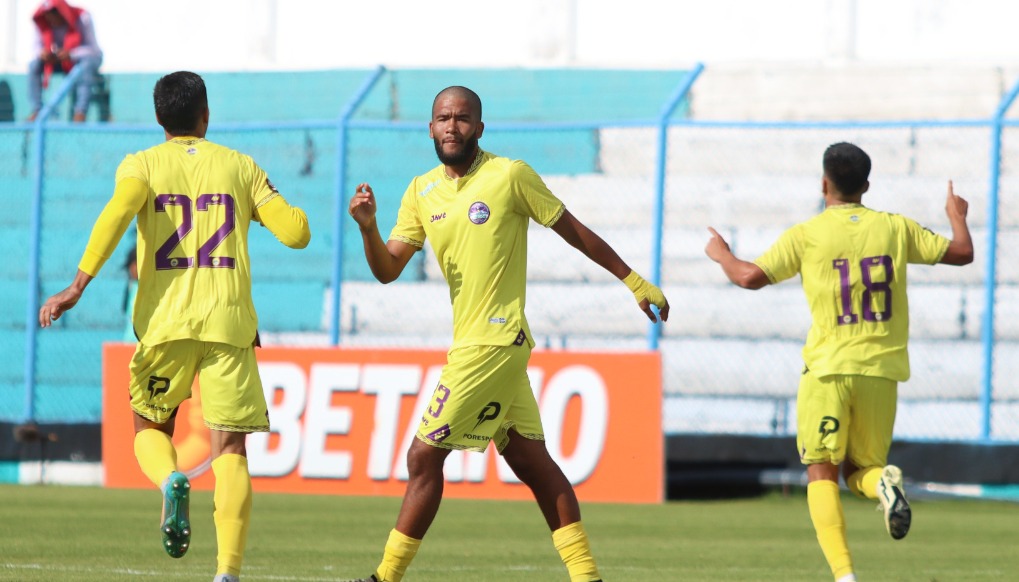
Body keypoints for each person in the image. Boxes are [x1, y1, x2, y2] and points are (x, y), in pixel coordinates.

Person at [347, 85, 670, 582]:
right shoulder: (420, 191)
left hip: (494, 342)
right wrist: (368, 228)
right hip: (480, 345)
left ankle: (383, 578)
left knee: (423, 455)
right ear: (430, 128)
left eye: (462, 118)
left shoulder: (510, 176)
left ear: (480, 127)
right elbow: (388, 270)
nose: (452, 126)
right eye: (443, 118)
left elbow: (574, 230)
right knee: (531, 462)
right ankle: (589, 578)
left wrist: (633, 280)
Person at [38, 71, 311, 582]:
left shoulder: (141, 164)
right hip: (229, 326)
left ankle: (170, 481)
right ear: (206, 115)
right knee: (231, 450)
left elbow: (118, 212)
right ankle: (227, 572)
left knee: (149, 429)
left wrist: (77, 286)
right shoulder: (240, 166)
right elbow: (297, 234)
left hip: (165, 325)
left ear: (159, 117)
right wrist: (262, 202)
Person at [704, 142, 973, 582]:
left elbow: (749, 277)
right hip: (882, 371)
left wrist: (722, 255)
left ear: (824, 184)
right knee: (862, 471)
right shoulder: (896, 227)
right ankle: (883, 484)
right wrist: (956, 215)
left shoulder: (808, 234)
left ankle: (845, 576)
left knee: (821, 472)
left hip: (828, 370)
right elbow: (962, 253)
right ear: (866, 185)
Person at [27, 0, 103, 122]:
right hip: (57, 61)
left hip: (81, 60)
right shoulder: (41, 21)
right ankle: (37, 110)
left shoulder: (82, 17)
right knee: (34, 65)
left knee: (85, 65)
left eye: (54, 15)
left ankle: (80, 112)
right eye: (48, 16)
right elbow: (35, 48)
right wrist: (43, 54)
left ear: (63, 13)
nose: (51, 20)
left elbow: (94, 50)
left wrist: (71, 54)